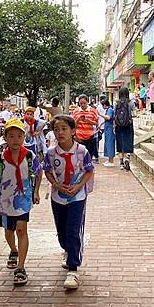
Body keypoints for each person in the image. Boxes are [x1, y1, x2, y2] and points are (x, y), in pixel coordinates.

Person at [43, 115, 95, 289]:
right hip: (58, 196)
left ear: (73, 131)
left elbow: (89, 171)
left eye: (64, 129)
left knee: (73, 229)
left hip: (77, 197)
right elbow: (48, 171)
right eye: (56, 129)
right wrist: (56, 184)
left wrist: (80, 186)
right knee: (62, 231)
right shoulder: (51, 153)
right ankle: (67, 250)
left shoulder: (82, 151)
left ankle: (73, 268)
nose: (60, 133)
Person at [0, 118, 42, 285]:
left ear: (24, 137)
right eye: (11, 136)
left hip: (23, 199)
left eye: (19, 136)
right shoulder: (0, 159)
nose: (15, 140)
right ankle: (13, 250)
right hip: (5, 201)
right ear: (5, 138)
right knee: (8, 230)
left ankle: (20, 267)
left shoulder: (29, 156)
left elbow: (38, 172)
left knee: (21, 229)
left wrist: (36, 191)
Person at [71, 94, 100, 159]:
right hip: (79, 137)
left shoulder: (93, 110)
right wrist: (78, 120)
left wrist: (88, 121)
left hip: (90, 137)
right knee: (79, 157)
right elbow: (73, 125)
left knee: (89, 156)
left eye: (84, 103)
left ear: (87, 102)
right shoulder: (75, 111)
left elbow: (96, 123)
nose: (83, 105)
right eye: (81, 103)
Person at [115, 86, 135, 171]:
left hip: (118, 126)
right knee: (128, 142)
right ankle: (127, 158)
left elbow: (115, 116)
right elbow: (134, 114)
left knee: (120, 143)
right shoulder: (131, 103)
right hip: (128, 125)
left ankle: (121, 163)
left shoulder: (117, 103)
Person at [101, 100, 115, 167]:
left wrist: (100, 114)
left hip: (110, 129)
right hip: (107, 128)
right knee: (107, 143)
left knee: (110, 144)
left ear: (104, 104)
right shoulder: (108, 110)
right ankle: (109, 159)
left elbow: (108, 117)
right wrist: (101, 124)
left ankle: (111, 160)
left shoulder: (110, 110)